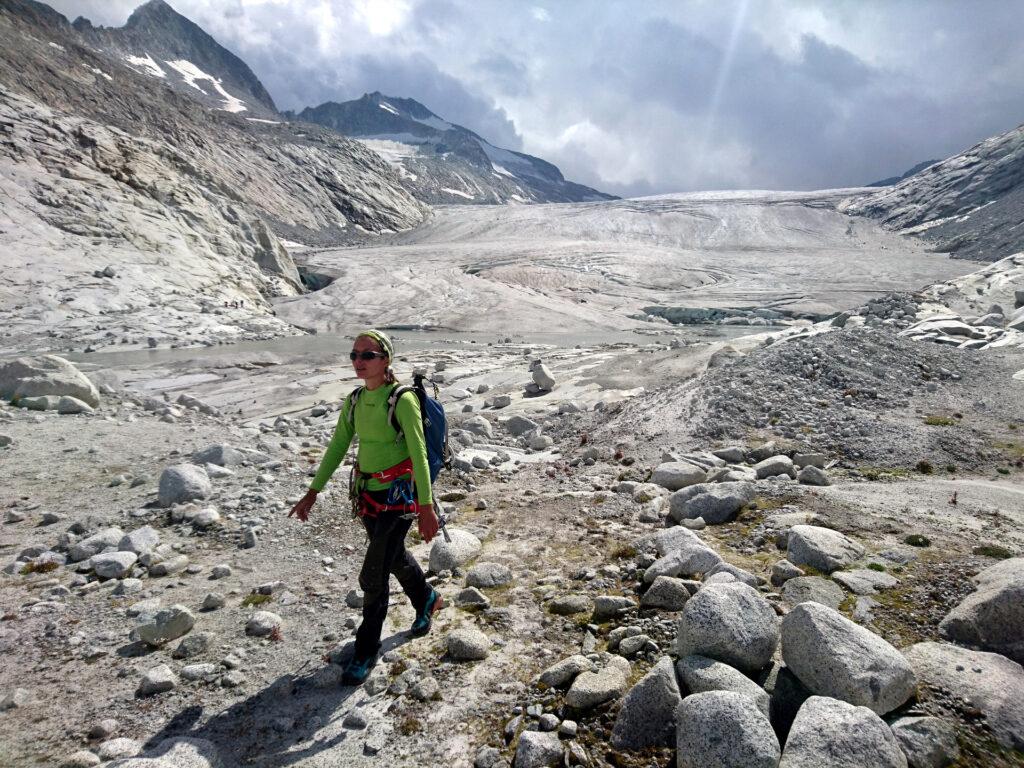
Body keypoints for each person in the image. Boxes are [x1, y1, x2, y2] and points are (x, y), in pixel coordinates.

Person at [287, 330, 442, 684]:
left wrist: (426, 505)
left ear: (385, 360)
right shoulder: (356, 400)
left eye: (367, 355)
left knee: (372, 575)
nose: (358, 361)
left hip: (400, 497)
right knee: (393, 557)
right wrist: (313, 492)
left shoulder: (402, 400)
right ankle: (427, 598)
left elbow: (418, 452)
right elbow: (339, 445)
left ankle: (367, 647)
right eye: (355, 355)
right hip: (368, 494)